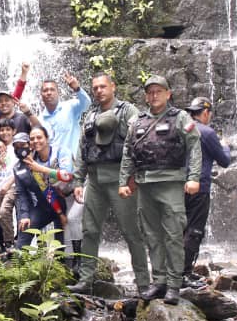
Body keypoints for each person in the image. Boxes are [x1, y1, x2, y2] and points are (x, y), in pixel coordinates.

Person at [119, 75, 202, 304]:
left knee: (173, 234)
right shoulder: (137, 120)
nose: (154, 95)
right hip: (145, 186)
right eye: (150, 92)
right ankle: (159, 281)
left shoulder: (180, 117)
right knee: (152, 236)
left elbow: (194, 146)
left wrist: (194, 177)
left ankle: (175, 284)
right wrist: (123, 182)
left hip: (171, 183)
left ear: (168, 94)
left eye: (158, 91)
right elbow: (128, 151)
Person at [69, 73, 146, 294]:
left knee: (132, 231)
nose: (99, 90)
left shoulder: (127, 111)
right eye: (95, 88)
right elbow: (82, 149)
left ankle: (143, 282)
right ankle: (86, 280)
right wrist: (77, 179)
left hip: (120, 180)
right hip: (94, 181)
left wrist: (134, 176)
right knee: (89, 231)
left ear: (113, 86)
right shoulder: (91, 114)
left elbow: (139, 142)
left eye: (103, 86)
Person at [38, 73, 90, 260]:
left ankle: (79, 256)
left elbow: (87, 104)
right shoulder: (40, 119)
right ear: (41, 95)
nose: (49, 93)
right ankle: (69, 258)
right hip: (55, 175)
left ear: (58, 93)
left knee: (76, 215)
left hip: (76, 169)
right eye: (45, 90)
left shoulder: (70, 107)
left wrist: (76, 88)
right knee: (65, 217)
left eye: (52, 89)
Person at [181, 97, 232, 284]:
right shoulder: (207, 132)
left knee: (179, 229)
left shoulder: (181, 129)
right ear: (205, 113)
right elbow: (224, 161)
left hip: (178, 185)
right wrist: (226, 147)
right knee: (194, 230)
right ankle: (184, 273)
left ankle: (175, 270)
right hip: (199, 186)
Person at [13, 127, 73, 249]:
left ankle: (68, 263)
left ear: (47, 138)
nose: (36, 141)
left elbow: (67, 176)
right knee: (26, 229)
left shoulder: (60, 151)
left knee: (63, 242)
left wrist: (39, 168)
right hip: (48, 203)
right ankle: (18, 265)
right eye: (32, 139)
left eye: (39, 137)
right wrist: (24, 216)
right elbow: (44, 190)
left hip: (70, 196)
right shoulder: (22, 166)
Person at [0, 119, 19, 253]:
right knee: (0, 215)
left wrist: (9, 184)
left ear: (14, 131)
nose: (5, 132)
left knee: (3, 213)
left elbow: (21, 168)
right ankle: (7, 243)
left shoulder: (18, 147)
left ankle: (10, 243)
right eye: (2, 130)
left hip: (12, 186)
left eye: (8, 129)